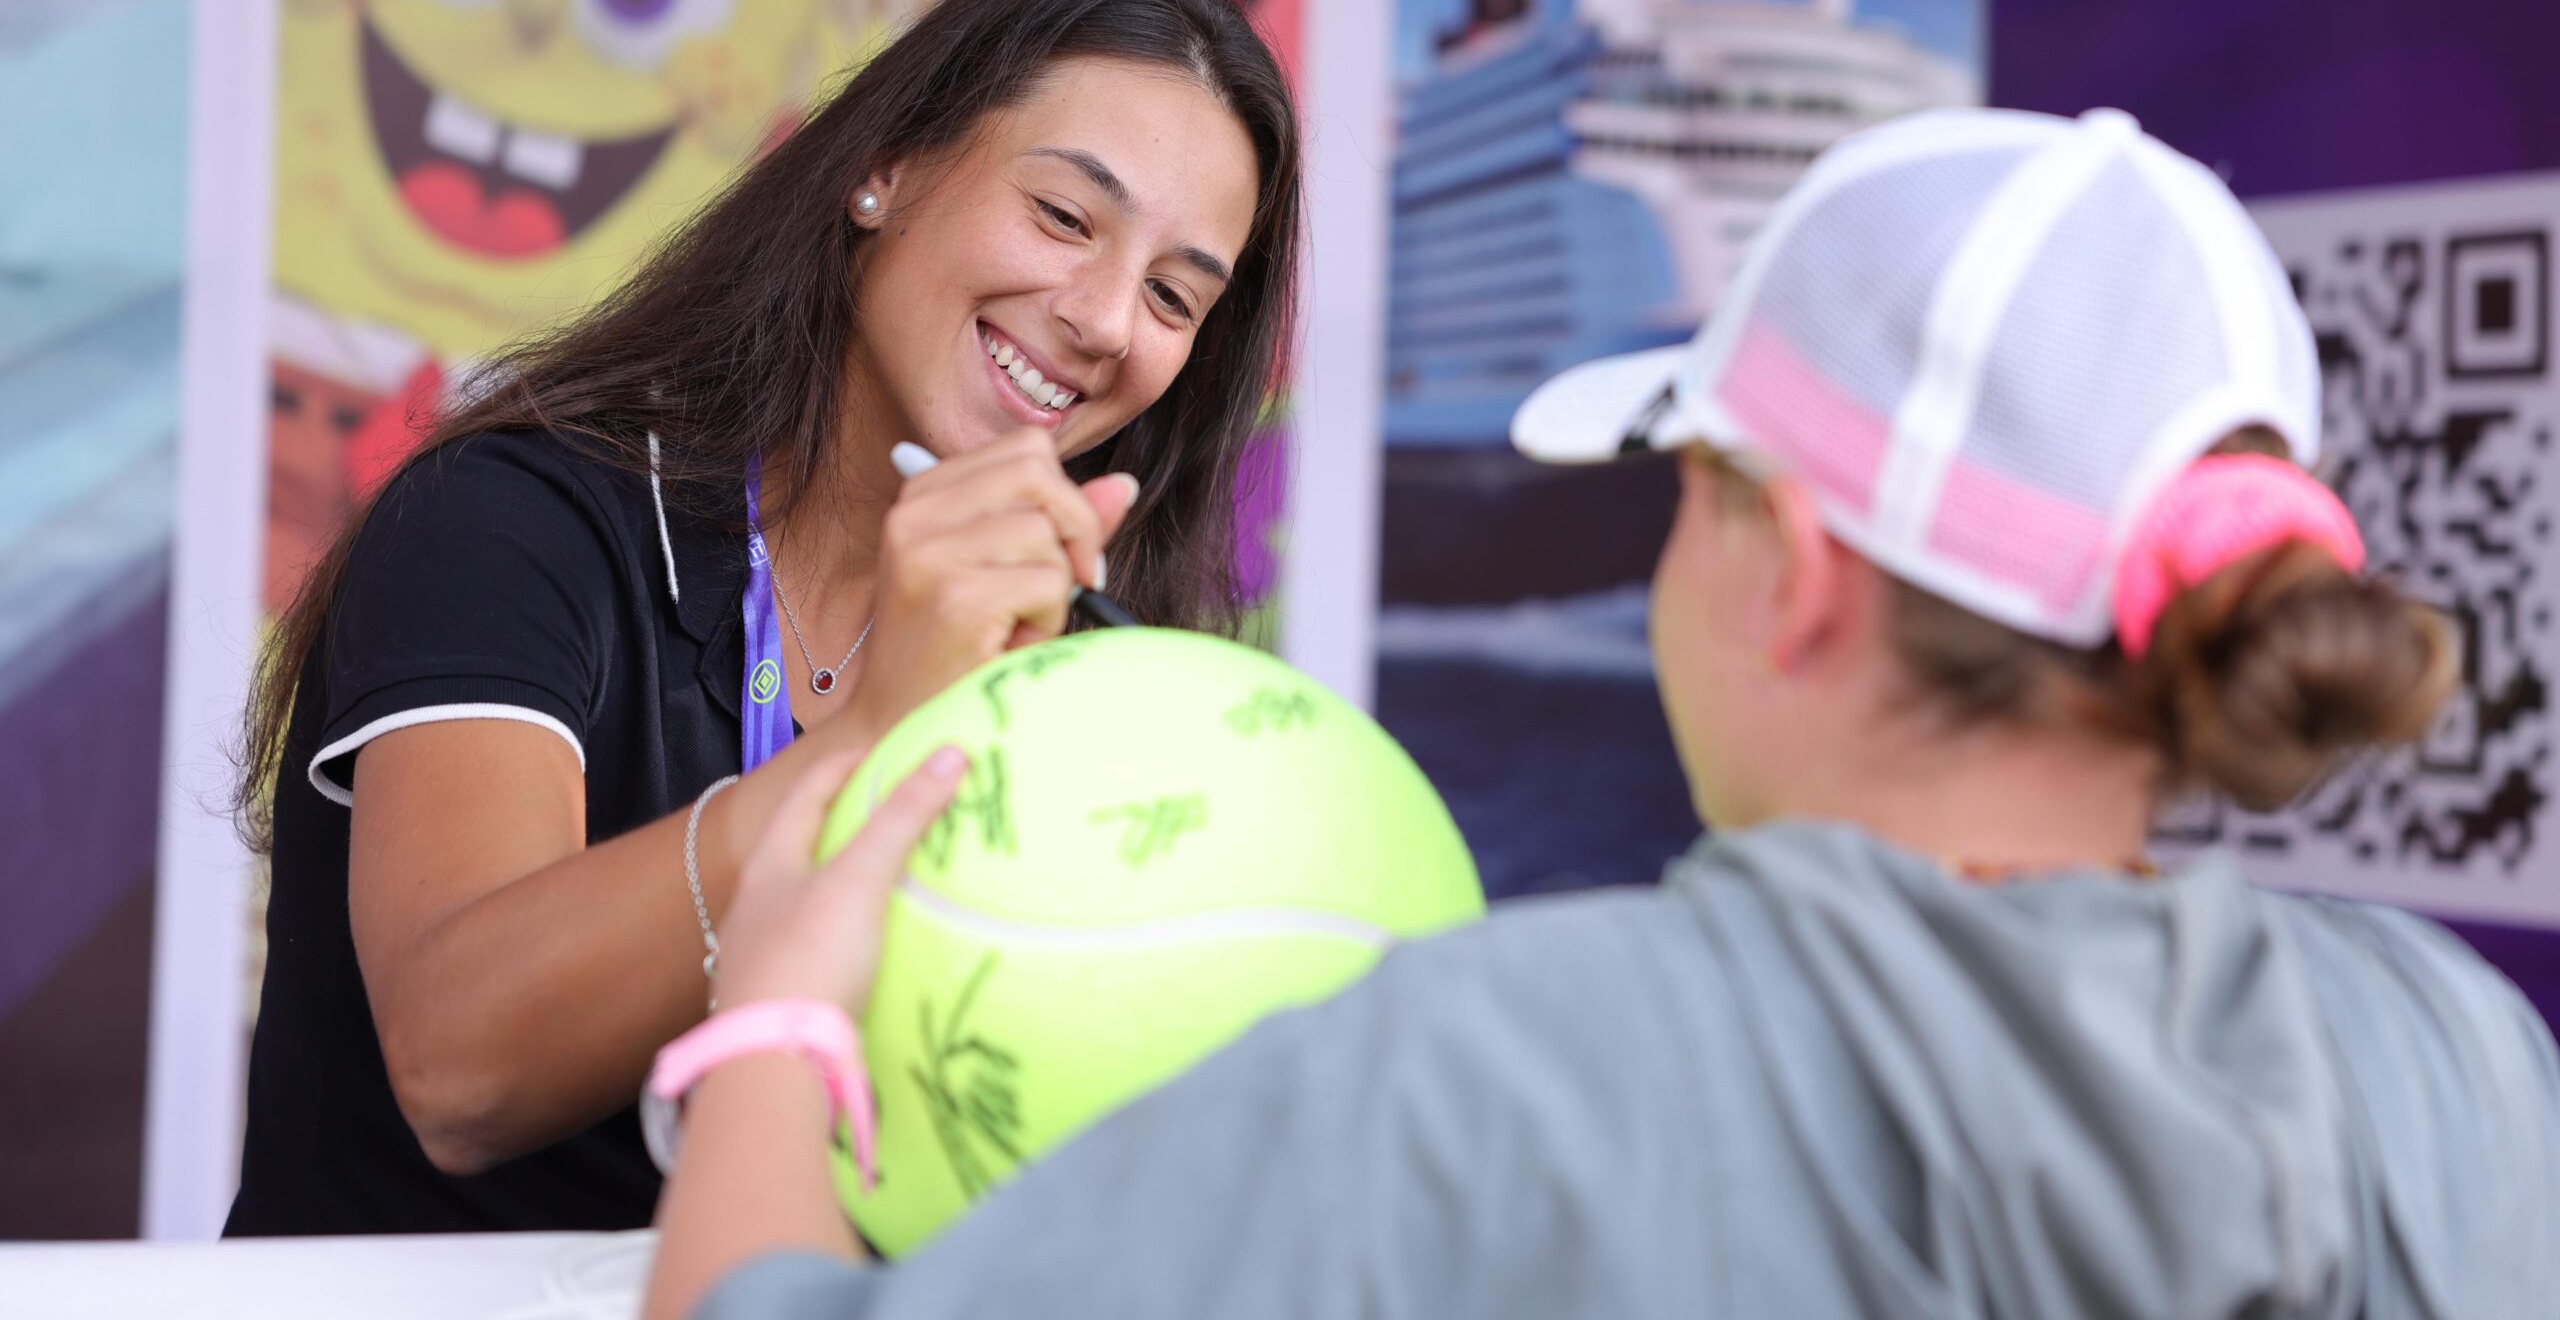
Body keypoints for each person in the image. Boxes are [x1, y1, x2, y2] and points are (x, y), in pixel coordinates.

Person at [642, 107, 2560, 1320]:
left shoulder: (1505, 1076)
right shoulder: (2459, 1057)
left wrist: (782, 1021)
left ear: (1786, 567)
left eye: (1684, 489)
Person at [223, 0, 1302, 1236]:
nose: (1108, 320)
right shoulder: (510, 520)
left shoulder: (1082, 666)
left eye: (1175, 298)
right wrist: (872, 744)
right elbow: (460, 1068)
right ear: (883, 167)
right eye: (1065, 217)